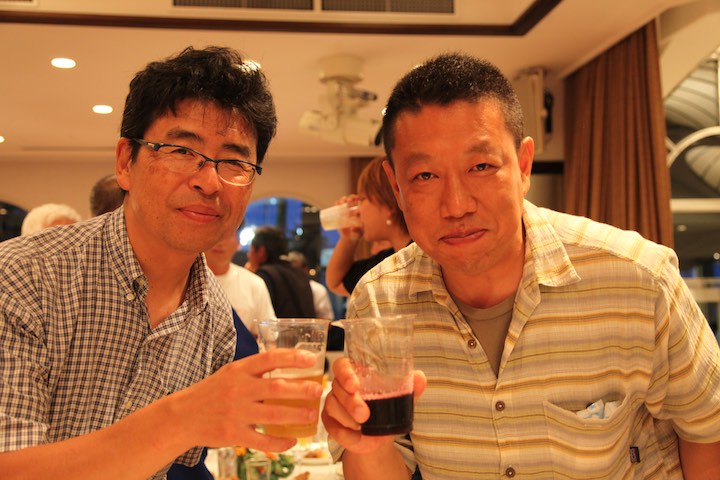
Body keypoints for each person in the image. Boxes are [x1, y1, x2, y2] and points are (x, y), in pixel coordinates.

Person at [321, 53, 720, 479]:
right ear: (397, 187)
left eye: (481, 166)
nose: (456, 205)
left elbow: (708, 429)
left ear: (523, 165)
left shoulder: (638, 278)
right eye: (425, 176)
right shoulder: (379, 302)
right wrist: (362, 439)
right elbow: (383, 462)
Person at [0, 46, 323, 480]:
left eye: (234, 161)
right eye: (181, 151)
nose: (209, 181)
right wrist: (181, 417)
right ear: (125, 162)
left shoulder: (214, 316)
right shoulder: (22, 277)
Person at [325, 155, 412, 297]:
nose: (358, 210)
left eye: (363, 199)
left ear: (389, 205)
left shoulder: (420, 257)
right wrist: (349, 237)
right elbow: (337, 283)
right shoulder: (389, 260)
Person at [204, 226, 276, 335]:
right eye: (214, 233)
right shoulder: (183, 279)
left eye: (227, 235)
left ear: (238, 243)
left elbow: (269, 336)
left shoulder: (254, 284)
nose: (220, 242)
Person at [246, 226, 316, 319]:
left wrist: (249, 276)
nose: (248, 255)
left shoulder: (264, 275)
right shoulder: (299, 273)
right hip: (306, 328)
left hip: (278, 329)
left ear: (261, 251)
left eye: (250, 249)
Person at [287, 250, 335, 321]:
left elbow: (326, 320)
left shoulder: (317, 289)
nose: (293, 273)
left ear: (305, 270)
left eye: (296, 269)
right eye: (290, 270)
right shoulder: (283, 288)